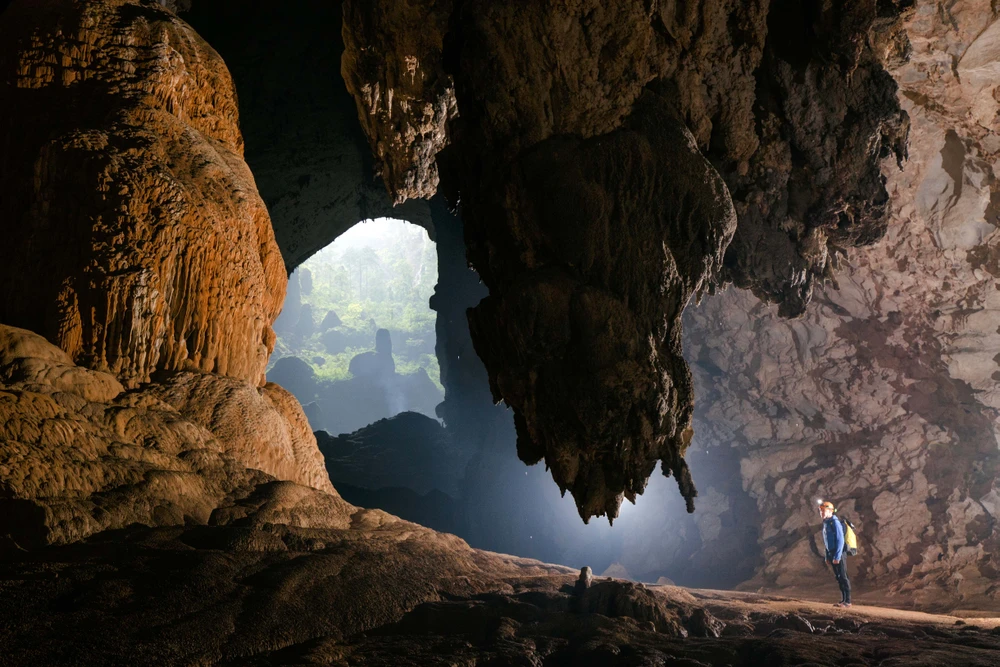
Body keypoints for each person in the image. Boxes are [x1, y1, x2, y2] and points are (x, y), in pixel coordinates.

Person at [819, 501, 851, 607]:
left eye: (823, 511)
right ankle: (843, 600)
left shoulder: (835, 522)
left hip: (839, 553)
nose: (821, 513)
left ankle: (848, 601)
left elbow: (840, 540)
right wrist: (827, 556)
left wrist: (837, 556)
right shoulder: (826, 523)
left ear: (830, 511)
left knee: (843, 576)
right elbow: (827, 541)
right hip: (832, 553)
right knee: (838, 577)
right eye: (821, 511)